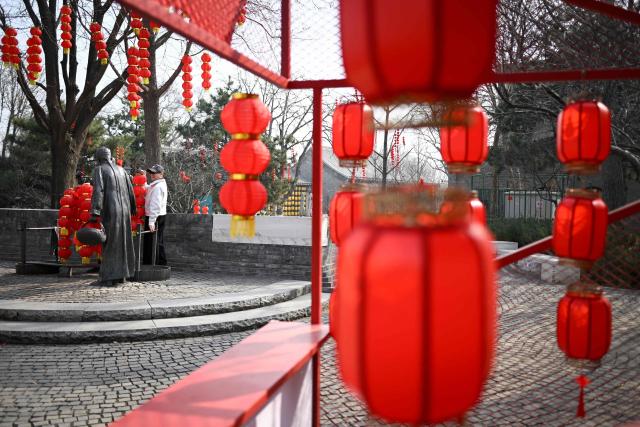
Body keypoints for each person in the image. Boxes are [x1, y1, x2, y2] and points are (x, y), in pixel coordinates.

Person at [89, 147, 137, 286]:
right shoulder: (121, 170)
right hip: (125, 210)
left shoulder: (99, 169)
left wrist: (95, 211)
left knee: (109, 243)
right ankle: (122, 276)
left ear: (99, 158)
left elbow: (99, 190)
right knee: (124, 242)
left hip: (111, 210)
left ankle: (107, 278)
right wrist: (132, 207)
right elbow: (130, 190)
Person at [143, 164, 168, 265]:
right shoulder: (158, 184)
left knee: (152, 242)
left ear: (161, 174)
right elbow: (148, 188)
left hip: (155, 216)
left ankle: (153, 264)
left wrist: (152, 221)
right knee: (157, 241)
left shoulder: (158, 187)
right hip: (159, 215)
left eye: (154, 172)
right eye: (151, 172)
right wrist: (143, 179)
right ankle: (160, 263)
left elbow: (155, 205)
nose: (152, 174)